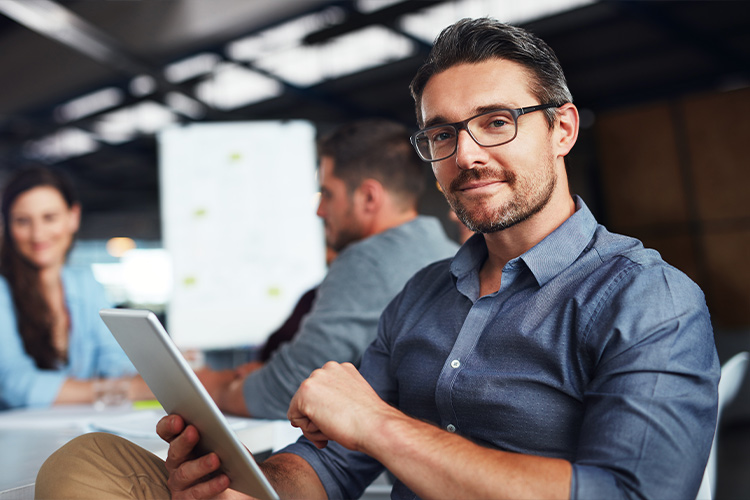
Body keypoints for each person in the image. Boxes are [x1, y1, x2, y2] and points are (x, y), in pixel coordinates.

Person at [36, 18, 719, 500]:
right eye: (443, 134)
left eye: (496, 122)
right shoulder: (422, 296)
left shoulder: (648, 299)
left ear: (561, 128)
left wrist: (380, 426)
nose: (468, 155)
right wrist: (251, 487)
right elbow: (328, 468)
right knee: (86, 463)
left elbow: (627, 493)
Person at [181, 118, 459, 419]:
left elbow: (286, 388)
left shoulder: (367, 261)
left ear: (368, 197)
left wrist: (210, 386)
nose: (319, 210)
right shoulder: (448, 253)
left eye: (327, 194)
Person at [0, 167, 151, 409]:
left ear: (73, 217)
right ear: (8, 226)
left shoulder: (86, 284)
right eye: (22, 221)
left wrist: (153, 367)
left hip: (77, 429)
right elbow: (14, 385)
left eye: (49, 218)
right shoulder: (3, 291)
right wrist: (129, 389)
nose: (38, 234)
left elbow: (116, 362)